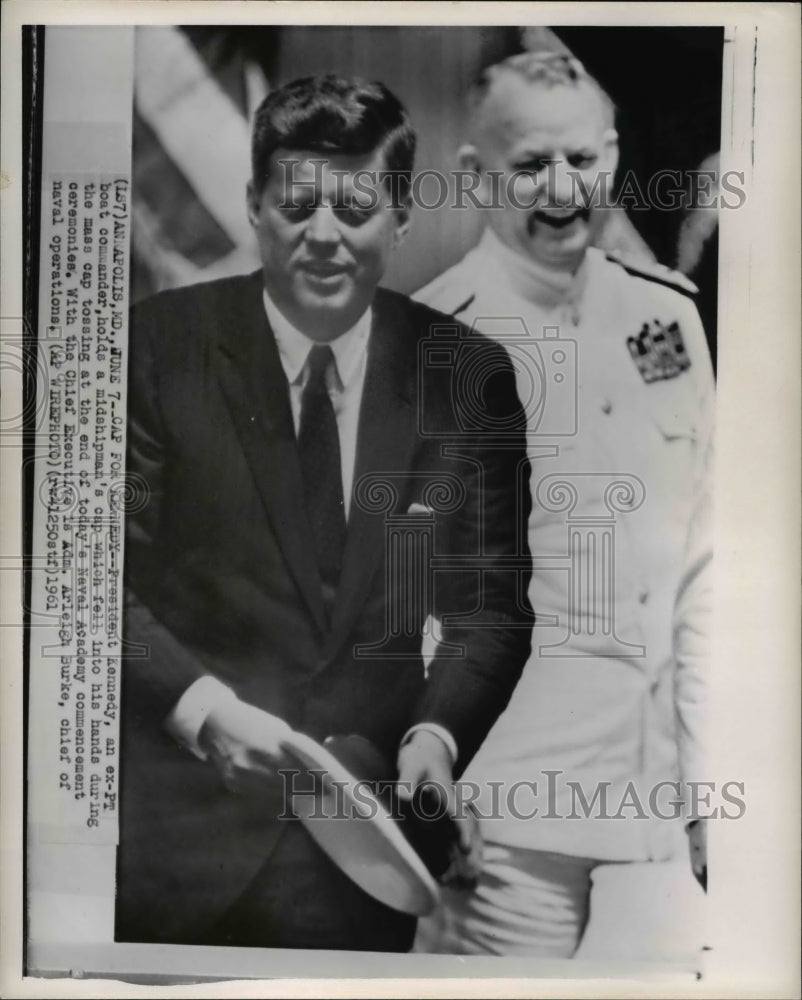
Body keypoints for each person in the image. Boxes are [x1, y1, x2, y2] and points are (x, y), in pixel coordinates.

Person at [116, 74, 534, 952]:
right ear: (254, 206)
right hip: (173, 852)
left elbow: (487, 610)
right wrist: (204, 711)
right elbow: (91, 585)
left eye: (355, 207)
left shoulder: (469, 377)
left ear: (400, 215)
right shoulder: (154, 348)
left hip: (363, 851)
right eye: (296, 205)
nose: (324, 236)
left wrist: (436, 739)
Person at [415, 51, 714, 957]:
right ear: (474, 177)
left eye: (582, 161)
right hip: (505, 828)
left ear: (613, 158)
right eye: (530, 164)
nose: (561, 189)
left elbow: (703, 570)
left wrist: (710, 789)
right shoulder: (433, 339)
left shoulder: (666, 320)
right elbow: (401, 593)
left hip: (657, 823)